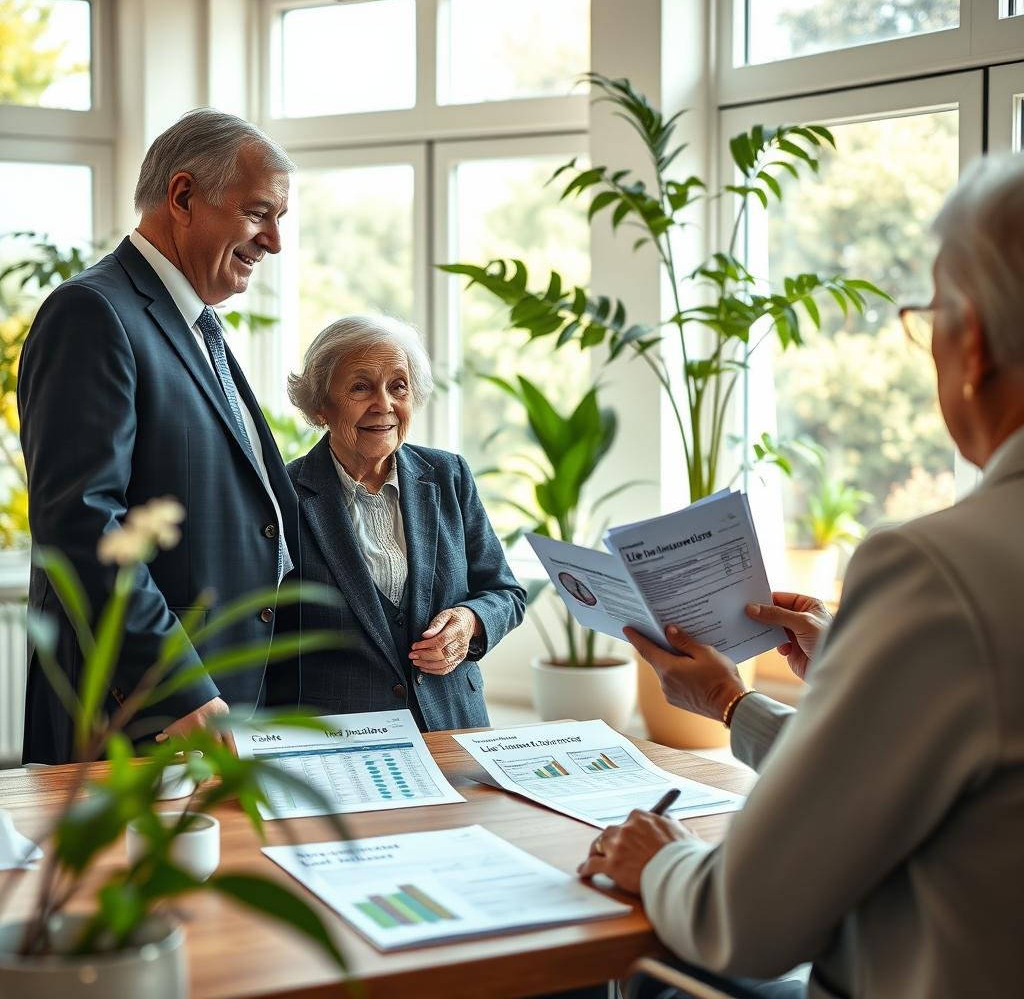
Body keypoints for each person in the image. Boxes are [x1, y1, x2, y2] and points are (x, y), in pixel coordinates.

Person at [578, 151, 1024, 999]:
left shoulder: (937, 571)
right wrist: (736, 704)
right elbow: (899, 788)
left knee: (647, 979)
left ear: (967, 341)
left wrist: (664, 861)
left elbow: (744, 921)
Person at [19, 109, 298, 764]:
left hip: (226, 700)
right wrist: (178, 686)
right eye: (261, 213)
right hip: (147, 709)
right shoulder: (93, 312)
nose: (275, 242)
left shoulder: (197, 327)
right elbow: (85, 523)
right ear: (182, 197)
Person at [277, 314, 525, 730]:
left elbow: (504, 592)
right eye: (360, 387)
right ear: (320, 405)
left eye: (398, 386)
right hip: (337, 738)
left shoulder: (449, 475)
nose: (385, 404)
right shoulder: (282, 494)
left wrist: (470, 621)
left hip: (454, 728)